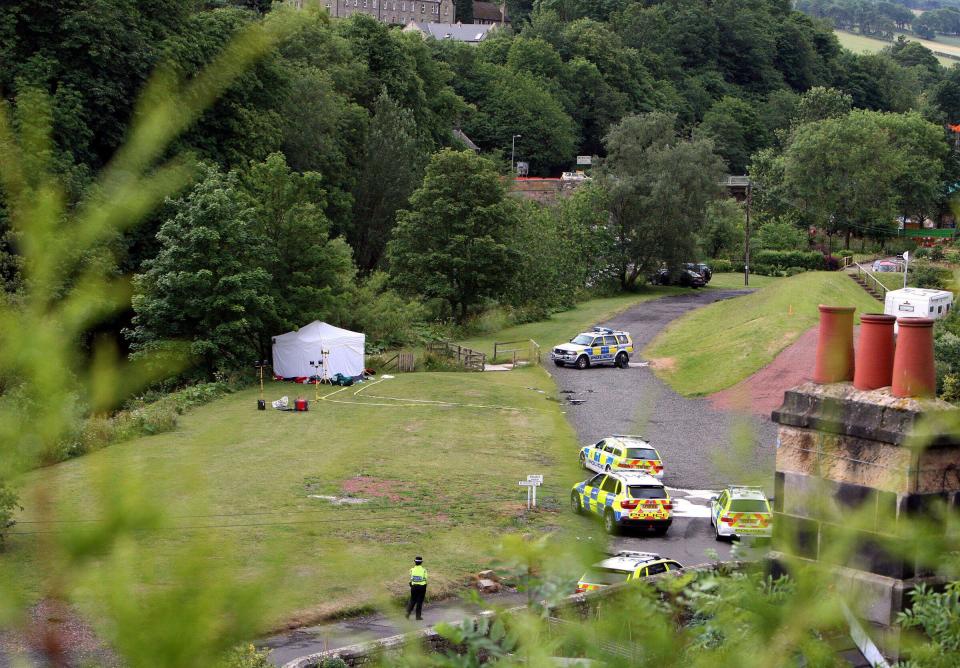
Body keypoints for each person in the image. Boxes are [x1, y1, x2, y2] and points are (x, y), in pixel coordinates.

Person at [406, 556, 428, 620]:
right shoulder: (424, 570)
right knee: (419, 602)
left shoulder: (412, 569)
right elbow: (426, 578)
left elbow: (411, 577)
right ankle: (418, 617)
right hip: (422, 587)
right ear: (421, 562)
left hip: (413, 587)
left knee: (412, 600)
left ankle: (408, 614)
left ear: (415, 562)